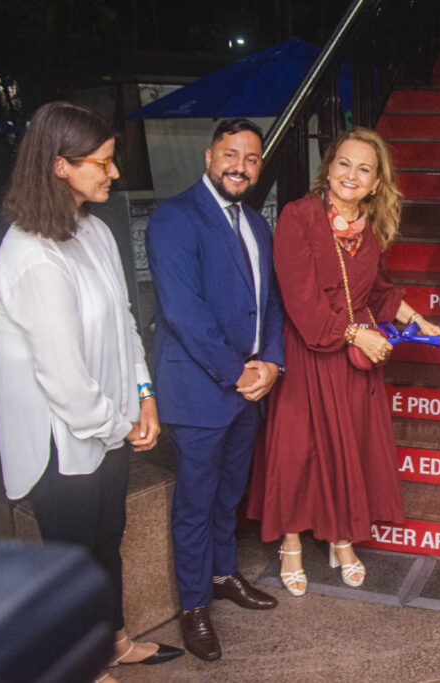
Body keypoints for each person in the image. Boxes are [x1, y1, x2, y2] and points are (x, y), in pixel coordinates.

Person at [0, 101, 183, 682]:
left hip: (111, 426)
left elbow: (125, 322)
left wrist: (145, 395)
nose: (114, 173)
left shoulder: (93, 231)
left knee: (108, 540)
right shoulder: (31, 257)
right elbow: (65, 381)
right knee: (71, 561)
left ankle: (114, 642)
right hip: (60, 442)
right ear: (58, 166)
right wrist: (123, 423)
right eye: (101, 163)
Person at [247, 127, 440, 595]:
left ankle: (340, 537)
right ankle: (291, 542)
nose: (350, 174)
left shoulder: (371, 229)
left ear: (376, 183)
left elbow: (379, 291)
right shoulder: (298, 217)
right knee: (298, 451)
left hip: (352, 359)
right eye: (343, 164)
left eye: (363, 168)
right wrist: (358, 333)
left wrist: (420, 323)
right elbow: (300, 299)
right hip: (309, 349)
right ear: (328, 169)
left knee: (344, 447)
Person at [146, 118, 284, 662]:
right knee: (195, 504)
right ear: (209, 157)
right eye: (231, 155)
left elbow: (270, 303)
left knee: (230, 494)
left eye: (251, 159)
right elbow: (183, 312)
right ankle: (194, 606)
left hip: (248, 387)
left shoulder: (257, 223)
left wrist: (271, 361)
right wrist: (239, 372)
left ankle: (225, 575)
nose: (240, 167)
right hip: (201, 388)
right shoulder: (174, 218)